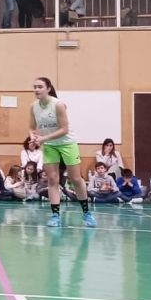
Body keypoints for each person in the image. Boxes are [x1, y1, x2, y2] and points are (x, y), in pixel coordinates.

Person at [29, 77, 95, 228]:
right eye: (35, 87)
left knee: (75, 178)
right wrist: (33, 136)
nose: (36, 89)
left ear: (48, 89)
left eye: (40, 87)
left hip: (67, 143)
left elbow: (64, 129)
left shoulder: (58, 105)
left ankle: (86, 213)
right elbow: (31, 128)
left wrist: (44, 138)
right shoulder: (33, 106)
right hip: (50, 145)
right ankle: (55, 216)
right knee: (52, 179)